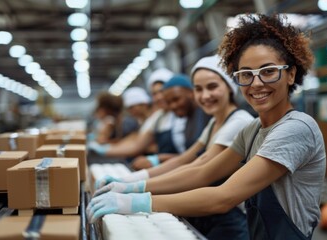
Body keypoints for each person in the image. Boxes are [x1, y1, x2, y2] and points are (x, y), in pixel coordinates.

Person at [87, 14, 326, 240]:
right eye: (245, 74)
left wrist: (136, 202)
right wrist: (131, 186)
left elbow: (223, 197)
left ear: (291, 74)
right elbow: (201, 171)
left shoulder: (296, 129)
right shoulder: (252, 130)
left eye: (269, 71)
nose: (256, 83)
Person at [91, 54, 254, 239]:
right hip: (210, 209)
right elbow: (186, 160)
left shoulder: (239, 122)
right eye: (198, 89)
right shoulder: (214, 123)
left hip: (234, 216)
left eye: (212, 87)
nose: (205, 95)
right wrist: (131, 181)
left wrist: (136, 191)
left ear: (230, 86)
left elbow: (201, 171)